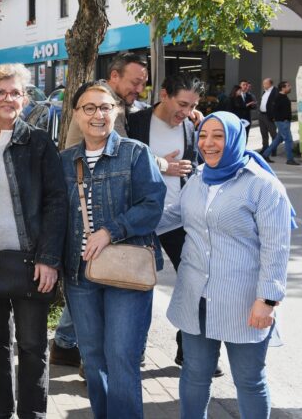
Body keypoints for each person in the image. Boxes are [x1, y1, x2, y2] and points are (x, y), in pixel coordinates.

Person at [159, 111, 294, 418]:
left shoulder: (261, 185)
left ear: (234, 139)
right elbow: (172, 216)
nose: (208, 143)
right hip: (195, 297)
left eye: (218, 136)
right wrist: (123, 227)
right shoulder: (198, 178)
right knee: (194, 374)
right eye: (203, 136)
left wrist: (267, 300)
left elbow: (276, 247)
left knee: (249, 380)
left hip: (243, 301)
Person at [59, 83, 166, 418]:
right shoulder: (64, 161)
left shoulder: (135, 153)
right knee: (92, 359)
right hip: (80, 275)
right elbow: (54, 214)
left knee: (122, 358)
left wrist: (110, 231)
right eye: (89, 108)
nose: (98, 115)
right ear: (76, 114)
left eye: (105, 107)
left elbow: (152, 206)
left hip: (126, 274)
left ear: (116, 111)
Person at [0, 63, 67, 418]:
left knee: (31, 344)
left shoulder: (37, 142)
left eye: (16, 93)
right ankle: (1, 410)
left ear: (25, 99)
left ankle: (32, 414)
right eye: (0, 92)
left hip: (30, 260)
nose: (8, 99)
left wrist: (48, 258)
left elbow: (56, 201)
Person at [127, 74, 223, 377]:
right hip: (141, 217)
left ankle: (191, 352)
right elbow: (123, 160)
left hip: (180, 219)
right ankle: (135, 352)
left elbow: (199, 165)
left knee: (197, 283)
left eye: (192, 105)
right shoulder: (135, 122)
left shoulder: (192, 126)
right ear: (164, 95)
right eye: (182, 104)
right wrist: (160, 164)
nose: (186, 111)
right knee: (136, 288)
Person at [262, 81, 300, 165]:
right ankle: (290, 159)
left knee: (278, 139)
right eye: (288, 86)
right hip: (283, 122)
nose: (290, 87)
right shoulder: (278, 97)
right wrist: (280, 119)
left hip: (284, 121)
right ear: (283, 88)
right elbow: (274, 110)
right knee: (288, 140)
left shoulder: (284, 96)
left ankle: (265, 155)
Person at [259, 78, 278, 153]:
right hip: (261, 115)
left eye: (264, 83)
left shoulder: (275, 91)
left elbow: (277, 105)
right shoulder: (264, 91)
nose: (263, 85)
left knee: (273, 134)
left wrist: (274, 116)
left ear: (269, 84)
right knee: (263, 133)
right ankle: (265, 148)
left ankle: (273, 150)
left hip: (269, 116)